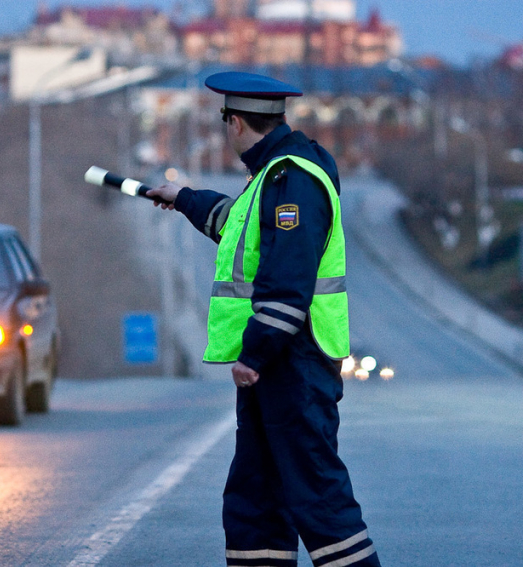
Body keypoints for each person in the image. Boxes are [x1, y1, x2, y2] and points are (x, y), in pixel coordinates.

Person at [146, 72, 381, 567]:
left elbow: (287, 278)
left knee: (318, 498)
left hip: (294, 361)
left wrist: (254, 355)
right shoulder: (274, 175)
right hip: (281, 363)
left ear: (234, 122)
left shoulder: (293, 179)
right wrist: (183, 198)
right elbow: (239, 229)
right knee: (256, 499)